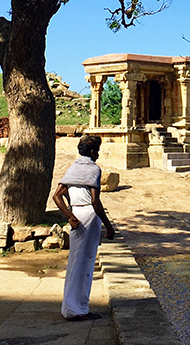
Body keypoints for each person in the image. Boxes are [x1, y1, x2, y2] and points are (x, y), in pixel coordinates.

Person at [53, 135, 115, 321]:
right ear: (92, 152)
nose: (98, 155)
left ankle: (70, 306)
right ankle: (78, 310)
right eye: (97, 151)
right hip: (88, 216)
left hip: (77, 215)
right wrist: (108, 226)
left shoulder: (73, 168)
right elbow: (96, 202)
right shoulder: (93, 169)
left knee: (75, 262)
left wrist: (70, 216)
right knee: (85, 262)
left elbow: (56, 196)